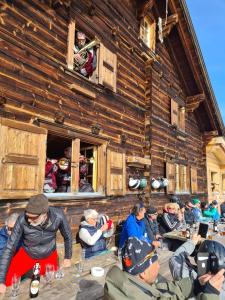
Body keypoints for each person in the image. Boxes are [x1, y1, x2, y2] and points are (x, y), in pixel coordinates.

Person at [104, 236, 224, 300]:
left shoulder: (137, 288)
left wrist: (196, 285)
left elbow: (160, 292)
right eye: (155, 262)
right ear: (143, 273)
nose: (159, 266)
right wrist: (210, 295)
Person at [0, 194, 72, 295]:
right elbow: (9, 247)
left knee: (50, 285)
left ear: (44, 214)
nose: (28, 220)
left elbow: (68, 236)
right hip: (26, 253)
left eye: (33, 218)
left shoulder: (58, 216)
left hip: (48, 255)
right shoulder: (22, 219)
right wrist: (1, 280)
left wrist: (67, 257)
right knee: (6, 282)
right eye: (27, 216)